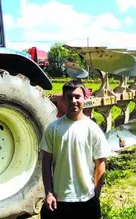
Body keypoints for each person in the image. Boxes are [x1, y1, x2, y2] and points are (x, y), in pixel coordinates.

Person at [39, 79, 112, 219]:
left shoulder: (93, 129)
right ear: (64, 100)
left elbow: (100, 164)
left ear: (85, 98)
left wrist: (96, 193)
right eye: (69, 97)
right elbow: (46, 162)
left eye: (77, 97)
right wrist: (48, 192)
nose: (73, 101)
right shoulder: (53, 128)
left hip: (85, 199)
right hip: (58, 198)